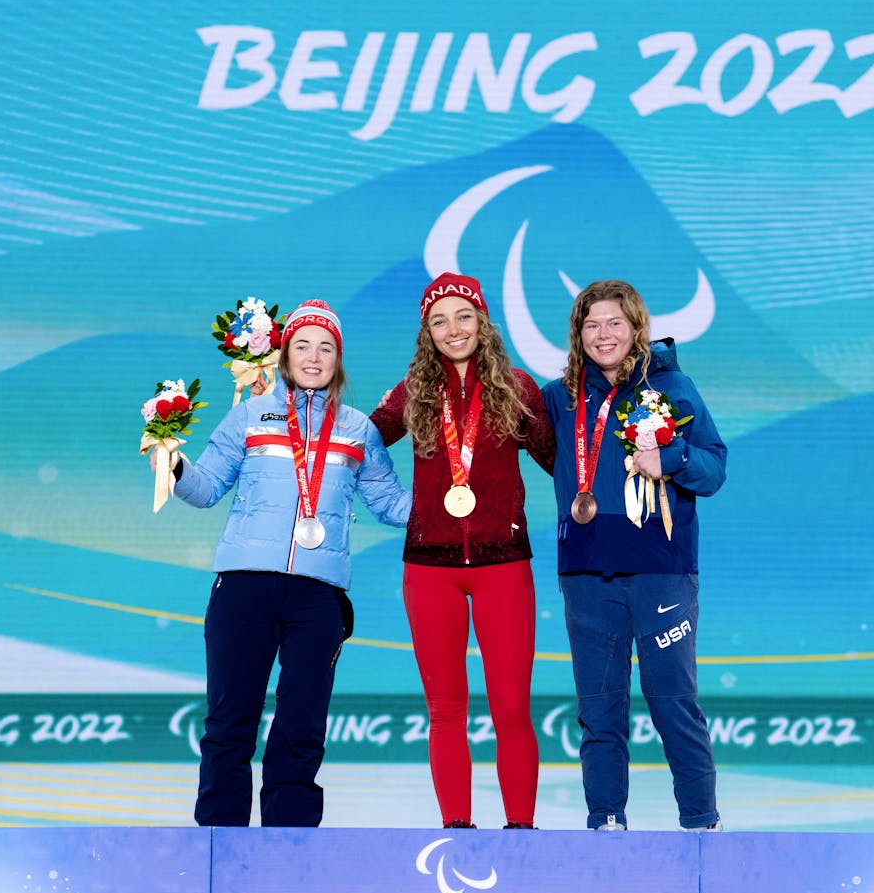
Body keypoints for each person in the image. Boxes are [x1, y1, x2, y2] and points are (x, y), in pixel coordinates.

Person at [159, 299, 411, 827]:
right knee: (231, 719)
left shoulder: (357, 429)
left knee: (302, 722)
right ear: (285, 354)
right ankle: (220, 839)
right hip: (244, 586)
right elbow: (206, 490)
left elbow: (391, 503)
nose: (314, 358)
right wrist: (172, 462)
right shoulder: (249, 415)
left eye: (326, 348)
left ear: (337, 359)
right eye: (303, 346)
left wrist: (457, 498)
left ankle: (289, 837)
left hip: (318, 595)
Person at [540, 279, 727, 832]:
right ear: (578, 334)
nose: (604, 335)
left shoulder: (672, 386)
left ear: (635, 328)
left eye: (614, 323)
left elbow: (714, 469)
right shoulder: (561, 395)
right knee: (599, 711)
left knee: (673, 701)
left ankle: (701, 824)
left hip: (661, 570)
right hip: (586, 572)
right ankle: (606, 823)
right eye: (592, 325)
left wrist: (670, 458)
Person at [371, 272, 556, 829]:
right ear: (427, 331)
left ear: (483, 322)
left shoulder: (518, 388)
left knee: (511, 710)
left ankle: (521, 830)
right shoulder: (412, 391)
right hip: (430, 569)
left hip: (504, 565)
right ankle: (456, 830)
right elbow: (360, 438)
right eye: (439, 320)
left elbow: (560, 462)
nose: (453, 329)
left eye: (463, 316)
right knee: (446, 710)